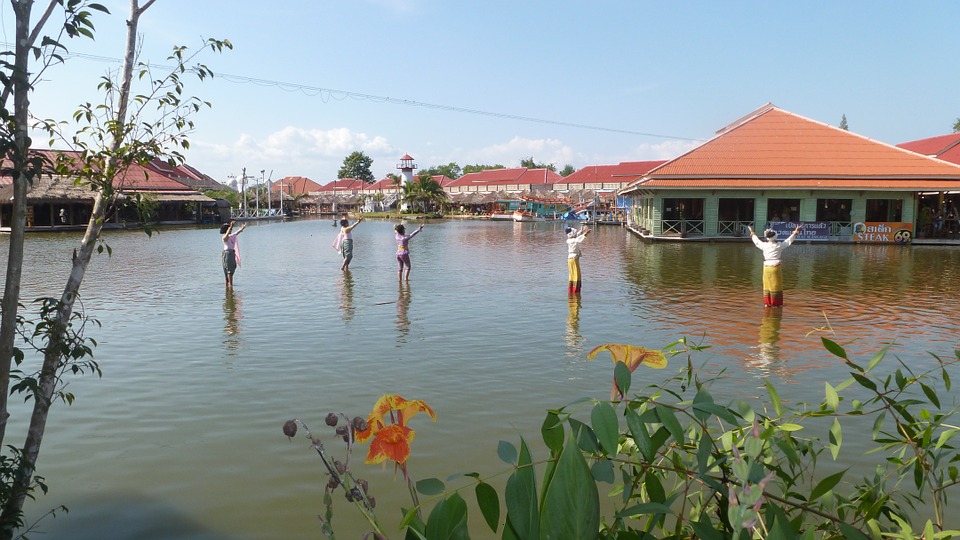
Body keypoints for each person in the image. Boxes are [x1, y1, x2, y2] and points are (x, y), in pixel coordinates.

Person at [748, 223, 801, 307]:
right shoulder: (778, 245)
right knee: (776, 285)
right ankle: (776, 304)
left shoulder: (764, 245)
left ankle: (767, 303)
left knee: (767, 285)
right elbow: (788, 241)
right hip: (775, 267)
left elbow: (756, 240)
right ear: (775, 237)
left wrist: (751, 230)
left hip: (766, 267)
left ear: (767, 237)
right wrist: (795, 232)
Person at [565, 224, 591, 294]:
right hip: (574, 258)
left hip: (570, 259)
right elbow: (578, 239)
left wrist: (581, 231)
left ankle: (571, 290)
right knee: (576, 274)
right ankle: (575, 291)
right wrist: (585, 233)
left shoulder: (569, 240)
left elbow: (576, 236)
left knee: (572, 274)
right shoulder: (573, 241)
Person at [220, 221, 247, 288]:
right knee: (228, 271)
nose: (231, 230)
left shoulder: (231, 236)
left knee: (231, 269)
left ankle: (228, 288)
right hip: (227, 254)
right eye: (229, 229)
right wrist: (231, 226)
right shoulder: (224, 237)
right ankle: (231, 286)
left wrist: (242, 228)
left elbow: (237, 232)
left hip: (231, 253)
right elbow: (226, 237)